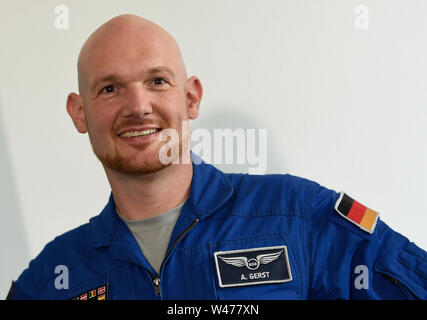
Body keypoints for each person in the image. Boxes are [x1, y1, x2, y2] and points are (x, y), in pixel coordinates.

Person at [7, 14, 426, 300]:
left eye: (157, 80)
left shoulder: (299, 217)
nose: (138, 106)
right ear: (80, 113)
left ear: (190, 98)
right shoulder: (51, 279)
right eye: (110, 88)